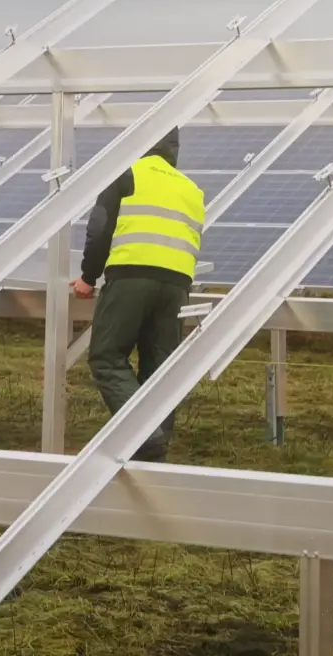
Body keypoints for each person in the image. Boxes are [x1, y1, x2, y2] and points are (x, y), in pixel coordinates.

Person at [70, 127, 204, 462]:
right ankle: (154, 450)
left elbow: (100, 228)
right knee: (160, 366)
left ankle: (145, 437)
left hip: (131, 276)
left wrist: (88, 277)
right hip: (177, 285)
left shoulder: (126, 174)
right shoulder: (191, 189)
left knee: (106, 356)